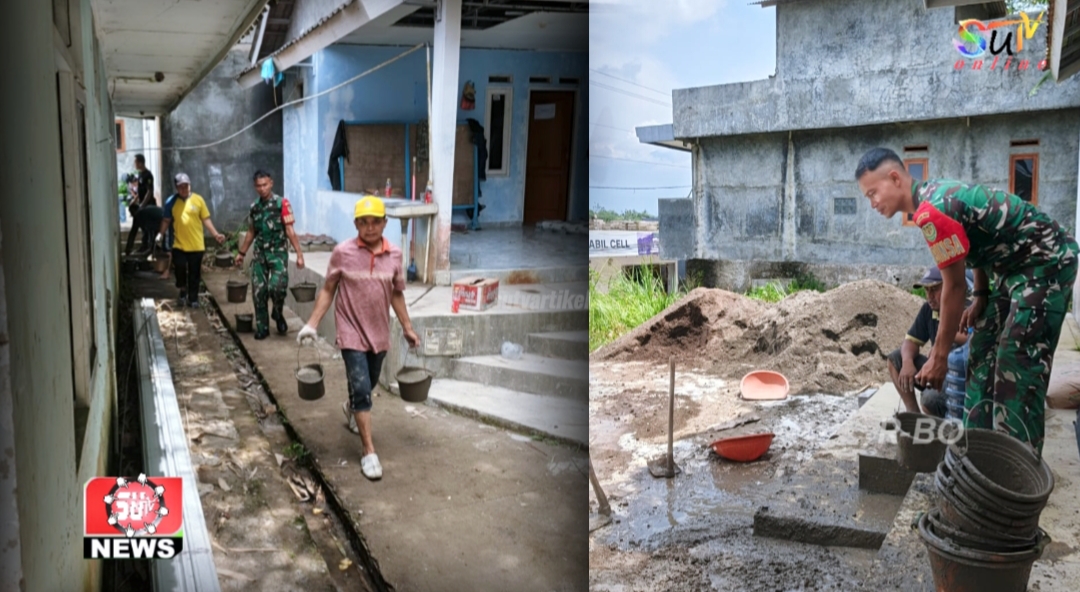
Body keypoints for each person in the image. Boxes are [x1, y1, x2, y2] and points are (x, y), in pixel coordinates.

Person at [857, 147, 1079, 453]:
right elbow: (974, 247)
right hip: (1008, 268)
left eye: (873, 193)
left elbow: (954, 286)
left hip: (1044, 261)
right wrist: (982, 295)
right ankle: (975, 452)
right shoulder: (932, 201)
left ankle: (1016, 465)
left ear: (895, 178)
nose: (872, 203)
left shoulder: (933, 211)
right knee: (981, 349)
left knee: (1016, 364)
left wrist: (939, 356)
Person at [297, 196, 421, 480]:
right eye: (363, 222)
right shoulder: (343, 252)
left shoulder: (395, 255)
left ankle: (351, 407)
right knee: (363, 387)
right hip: (350, 330)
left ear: (385, 223)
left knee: (369, 380)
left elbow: (396, 293)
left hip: (379, 332)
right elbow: (328, 289)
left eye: (375, 221)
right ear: (356, 224)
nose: (370, 227)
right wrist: (311, 324)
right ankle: (368, 451)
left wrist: (407, 327)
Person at [888, 266, 973, 417]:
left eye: (934, 289)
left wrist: (945, 337)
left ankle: (942, 423)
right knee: (895, 359)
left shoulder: (966, 309)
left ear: (949, 286)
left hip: (960, 377)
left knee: (930, 400)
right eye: (927, 290)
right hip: (936, 368)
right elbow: (911, 341)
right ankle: (913, 415)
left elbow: (971, 338)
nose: (929, 296)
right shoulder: (928, 310)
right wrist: (907, 363)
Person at [234, 170, 306, 339]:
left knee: (277, 288)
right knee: (259, 292)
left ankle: (278, 313)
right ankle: (262, 328)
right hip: (260, 255)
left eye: (265, 185)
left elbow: (290, 230)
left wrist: (299, 254)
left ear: (271, 183)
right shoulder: (254, 207)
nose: (262, 189)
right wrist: (241, 253)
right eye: (258, 186)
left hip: (278, 254)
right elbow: (251, 231)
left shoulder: (282, 204)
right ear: (255, 187)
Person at [159, 173, 226, 308]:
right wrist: (160, 234)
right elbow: (166, 220)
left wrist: (216, 234)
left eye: (186, 186)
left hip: (196, 245)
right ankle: (183, 290)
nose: (184, 189)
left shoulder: (198, 200)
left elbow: (206, 219)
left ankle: (193, 299)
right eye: (181, 187)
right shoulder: (171, 202)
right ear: (176, 188)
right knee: (180, 269)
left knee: (194, 274)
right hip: (179, 245)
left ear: (190, 185)